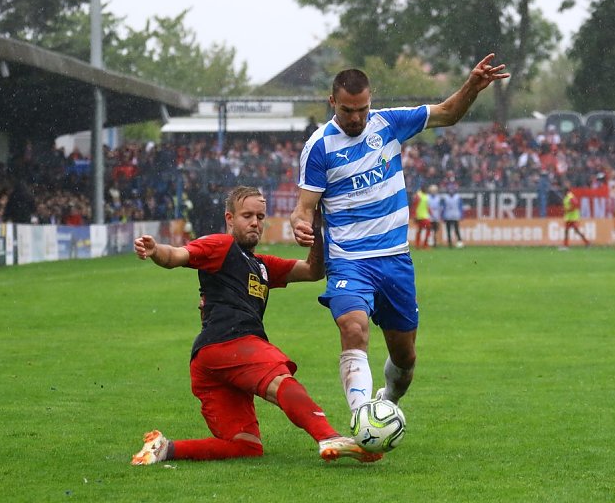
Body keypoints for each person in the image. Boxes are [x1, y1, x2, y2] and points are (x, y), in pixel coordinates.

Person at [290, 53, 509, 415]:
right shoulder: (319, 147)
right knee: (353, 329)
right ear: (332, 102)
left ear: (371, 101)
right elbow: (304, 207)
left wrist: (472, 86)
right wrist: (300, 223)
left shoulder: (389, 123)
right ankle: (363, 418)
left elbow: (447, 113)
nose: (356, 118)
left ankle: (388, 401)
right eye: (347, 110)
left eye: (362, 109)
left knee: (405, 359)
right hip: (349, 262)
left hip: (395, 260)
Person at [130, 186, 380, 465]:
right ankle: (328, 436)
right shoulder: (221, 246)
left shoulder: (262, 265)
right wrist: (156, 251)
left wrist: (316, 228)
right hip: (231, 342)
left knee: (245, 445)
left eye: (260, 217)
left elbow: (313, 271)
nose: (255, 223)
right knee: (281, 379)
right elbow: (176, 255)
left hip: (209, 361)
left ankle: (163, 448)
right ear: (229, 218)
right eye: (247, 216)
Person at [561, 185, 590, 249]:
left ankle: (587, 242)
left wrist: (567, 210)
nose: (562, 193)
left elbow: (575, 205)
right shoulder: (566, 197)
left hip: (574, 218)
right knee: (567, 231)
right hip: (569, 217)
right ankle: (565, 245)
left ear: (566, 191)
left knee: (576, 231)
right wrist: (565, 210)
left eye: (563, 191)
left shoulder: (570, 197)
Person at [442, 184, 464, 248]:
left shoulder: (457, 197)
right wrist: (443, 215)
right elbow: (444, 207)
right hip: (448, 216)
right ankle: (450, 243)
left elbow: (460, 207)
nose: (451, 191)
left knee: (456, 229)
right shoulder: (445, 197)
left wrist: (461, 215)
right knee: (448, 230)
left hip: (455, 216)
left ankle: (459, 241)